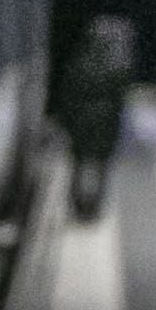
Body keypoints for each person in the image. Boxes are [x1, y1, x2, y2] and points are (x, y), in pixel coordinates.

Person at [54, 14, 135, 221]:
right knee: (100, 166)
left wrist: (66, 121)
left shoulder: (80, 62)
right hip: (105, 123)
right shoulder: (119, 66)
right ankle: (93, 209)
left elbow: (68, 93)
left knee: (79, 163)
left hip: (82, 122)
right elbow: (121, 98)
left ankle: (78, 207)